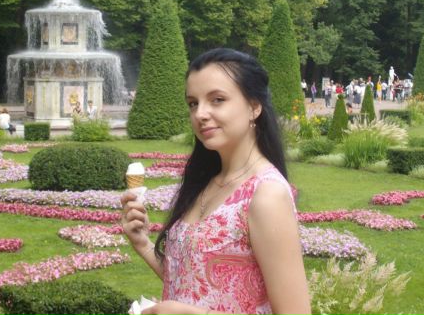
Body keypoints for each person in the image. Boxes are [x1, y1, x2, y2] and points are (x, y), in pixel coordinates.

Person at [121, 48, 310, 315]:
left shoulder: (266, 194)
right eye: (193, 103)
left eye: (217, 100)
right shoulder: (206, 182)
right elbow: (193, 283)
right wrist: (142, 243)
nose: (200, 113)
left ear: (254, 106)